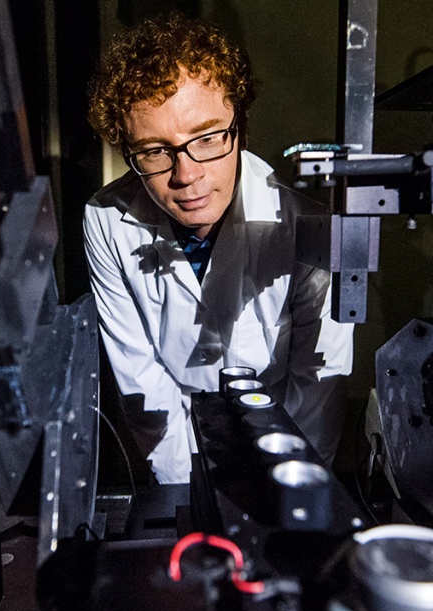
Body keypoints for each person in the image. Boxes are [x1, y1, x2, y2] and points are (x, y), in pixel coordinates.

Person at [84, 14, 353, 484]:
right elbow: (142, 385)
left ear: (240, 128)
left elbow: (317, 389)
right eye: (154, 151)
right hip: (175, 438)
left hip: (287, 435)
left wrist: (290, 491)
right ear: (129, 150)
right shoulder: (106, 221)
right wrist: (190, 498)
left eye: (207, 138)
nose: (185, 175)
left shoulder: (308, 224)